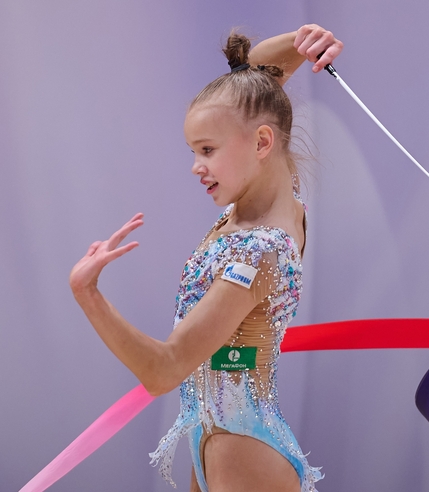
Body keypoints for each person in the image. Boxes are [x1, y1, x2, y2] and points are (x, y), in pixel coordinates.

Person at [68, 24, 343, 492]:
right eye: (195, 150)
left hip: (243, 453)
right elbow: (253, 84)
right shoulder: (273, 197)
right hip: (219, 434)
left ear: (260, 144)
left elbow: (164, 369)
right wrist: (304, 38)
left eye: (207, 151)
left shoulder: (260, 250)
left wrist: (88, 293)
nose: (196, 166)